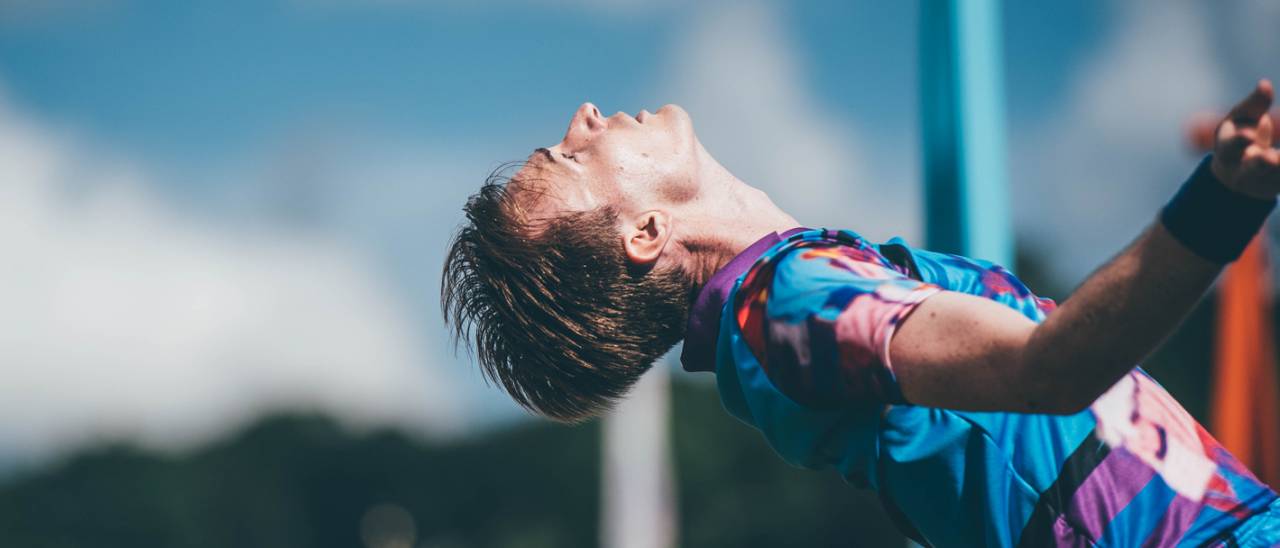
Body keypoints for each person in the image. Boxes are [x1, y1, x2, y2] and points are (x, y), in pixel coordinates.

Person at [441, 80, 1280, 546]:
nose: (582, 117)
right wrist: (1223, 201)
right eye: (569, 156)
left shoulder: (779, 314)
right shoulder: (788, 305)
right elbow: (1051, 370)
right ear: (646, 233)